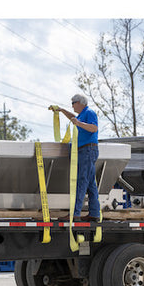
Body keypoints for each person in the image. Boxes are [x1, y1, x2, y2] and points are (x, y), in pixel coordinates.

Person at [54, 94, 100, 222]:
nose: (72, 105)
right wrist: (62, 111)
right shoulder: (82, 115)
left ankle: (75, 213)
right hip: (86, 150)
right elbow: (74, 118)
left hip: (87, 150)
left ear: (80, 103)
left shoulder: (89, 113)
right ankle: (95, 213)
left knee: (82, 181)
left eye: (73, 103)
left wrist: (78, 123)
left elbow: (93, 128)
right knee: (90, 184)